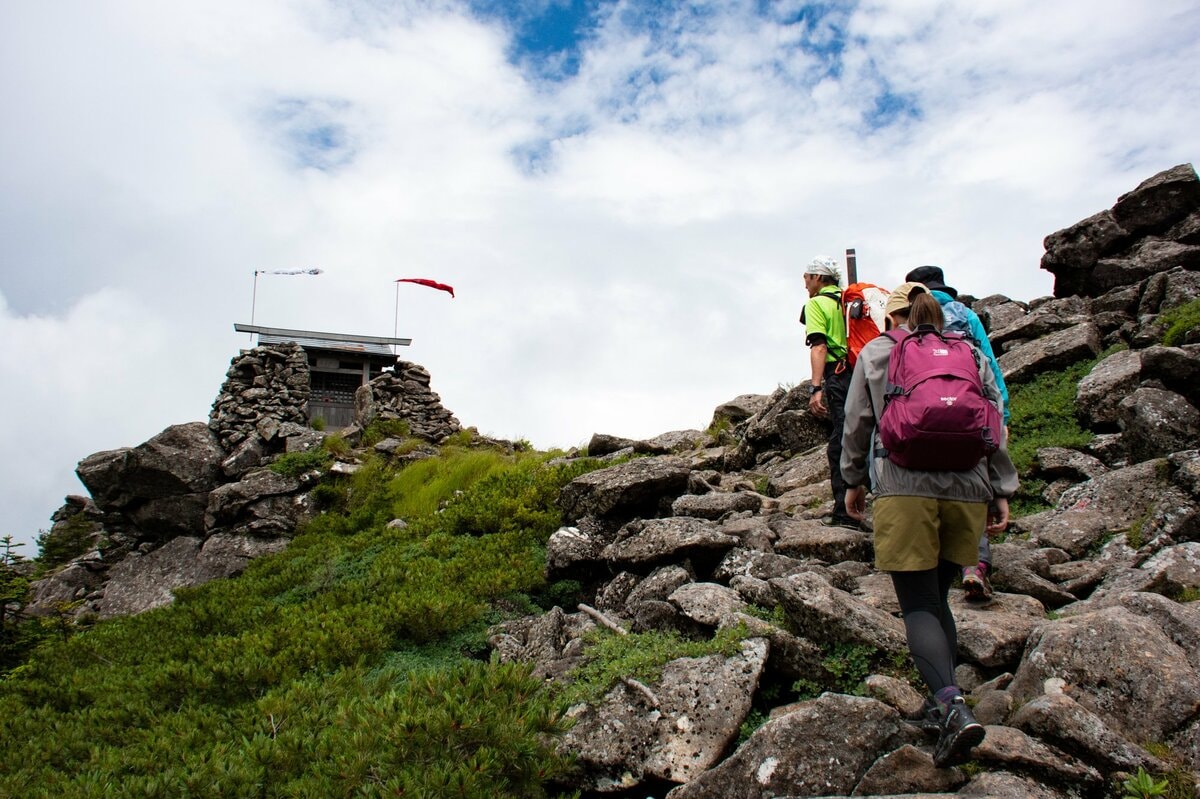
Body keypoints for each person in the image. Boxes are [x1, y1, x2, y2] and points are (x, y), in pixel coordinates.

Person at [841, 282, 1018, 768]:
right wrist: (1000, 488)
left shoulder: (878, 351)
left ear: (892, 316)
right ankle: (945, 697)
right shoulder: (969, 354)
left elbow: (857, 421)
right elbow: (993, 422)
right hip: (965, 488)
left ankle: (950, 706)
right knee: (939, 597)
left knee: (917, 603)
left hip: (905, 486)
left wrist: (852, 481)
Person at [905, 265, 1009, 603]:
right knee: (971, 489)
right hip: (968, 416)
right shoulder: (966, 314)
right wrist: (1001, 412)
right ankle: (973, 565)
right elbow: (989, 364)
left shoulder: (910, 320)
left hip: (922, 422)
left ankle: (932, 564)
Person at [800, 255, 853, 527]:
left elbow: (819, 347)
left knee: (840, 444)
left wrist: (816, 387)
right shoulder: (849, 300)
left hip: (838, 374)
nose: (805, 283)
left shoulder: (817, 304)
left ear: (819, 277)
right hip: (864, 372)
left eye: (807, 277)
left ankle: (846, 513)